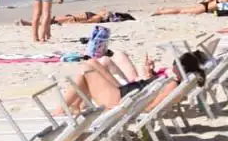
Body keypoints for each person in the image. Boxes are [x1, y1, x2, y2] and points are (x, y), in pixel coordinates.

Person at [55, 51, 205, 114]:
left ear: (181, 68)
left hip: (118, 101)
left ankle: (63, 109)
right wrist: (149, 74)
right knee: (93, 62)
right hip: (124, 92)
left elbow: (151, 107)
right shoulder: (173, 82)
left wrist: (127, 109)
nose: (172, 66)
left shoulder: (172, 85)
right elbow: (150, 94)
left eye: (175, 63)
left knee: (85, 68)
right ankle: (72, 106)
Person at [15, 9, 135, 26]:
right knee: (54, 20)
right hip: (78, 18)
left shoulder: (101, 15)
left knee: (54, 19)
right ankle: (30, 23)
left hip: (80, 16)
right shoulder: (100, 17)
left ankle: (30, 23)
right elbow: (88, 22)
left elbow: (88, 21)